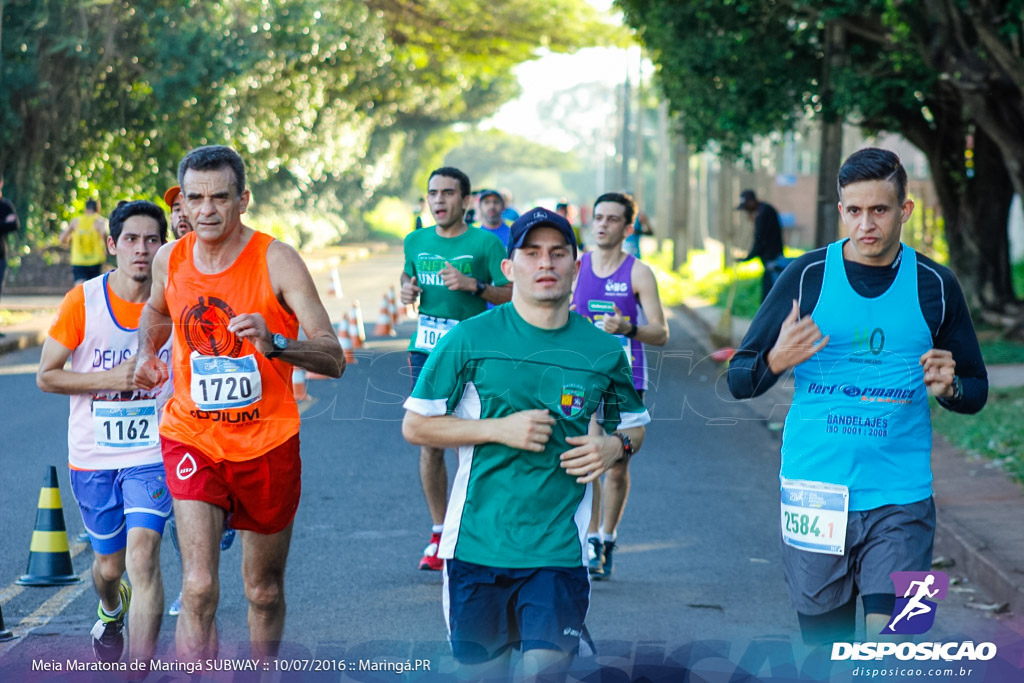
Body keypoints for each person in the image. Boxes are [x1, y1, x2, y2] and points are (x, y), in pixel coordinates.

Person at [727, 148, 988, 645]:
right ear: (840, 210)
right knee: (823, 655)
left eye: (880, 210)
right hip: (814, 493)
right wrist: (776, 361)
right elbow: (739, 379)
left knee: (896, 649)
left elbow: (975, 390)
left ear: (904, 210)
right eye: (854, 210)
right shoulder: (806, 276)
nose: (866, 223)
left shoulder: (936, 284)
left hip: (903, 497)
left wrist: (950, 387)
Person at [402, 207, 649, 681]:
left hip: (557, 551)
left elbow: (634, 425)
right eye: (532, 253)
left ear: (576, 268)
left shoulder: (600, 351)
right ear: (509, 268)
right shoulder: (470, 338)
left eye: (558, 253)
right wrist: (498, 429)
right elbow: (417, 426)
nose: (546, 264)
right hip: (477, 546)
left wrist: (613, 448)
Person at [133, 145, 345, 661]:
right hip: (192, 436)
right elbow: (156, 312)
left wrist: (274, 344)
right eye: (195, 198)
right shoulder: (170, 258)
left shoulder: (277, 260)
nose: (206, 210)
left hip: (267, 443)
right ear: (181, 200)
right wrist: (145, 352)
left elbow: (333, 356)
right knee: (199, 587)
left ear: (242, 199)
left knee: (262, 591)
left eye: (219, 198)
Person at [36, 200, 172, 664]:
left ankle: (138, 670)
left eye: (151, 240)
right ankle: (112, 608)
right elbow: (47, 375)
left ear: (163, 246)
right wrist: (113, 380)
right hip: (93, 456)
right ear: (112, 245)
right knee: (110, 567)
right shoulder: (84, 301)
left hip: (152, 453)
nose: (141, 250)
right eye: (131, 240)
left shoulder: (176, 302)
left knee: (143, 557)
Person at [400, 167, 512, 571]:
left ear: (466, 201)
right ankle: (438, 528)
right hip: (427, 350)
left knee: (478, 439)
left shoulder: (485, 243)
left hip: (474, 354)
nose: (439, 201)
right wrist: (406, 289)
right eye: (433, 193)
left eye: (448, 193)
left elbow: (512, 292)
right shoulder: (415, 240)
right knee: (430, 441)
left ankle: (479, 529)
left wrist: (475, 287)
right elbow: (408, 274)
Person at [571, 192, 668, 580]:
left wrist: (628, 327)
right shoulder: (576, 267)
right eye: (597, 217)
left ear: (628, 228)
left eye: (612, 219)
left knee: (615, 465)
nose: (602, 225)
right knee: (585, 460)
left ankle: (606, 538)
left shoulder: (638, 273)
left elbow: (661, 333)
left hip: (623, 379)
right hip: (579, 378)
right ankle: (587, 537)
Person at [737, 189, 785, 301]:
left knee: (769, 298)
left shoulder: (762, 214)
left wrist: (746, 258)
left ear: (751, 202)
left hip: (772, 261)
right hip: (773, 258)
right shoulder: (765, 209)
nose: (746, 212)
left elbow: (759, 243)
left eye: (746, 208)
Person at [61, 198, 108, 284]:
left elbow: (62, 239)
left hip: (78, 259)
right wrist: (107, 250)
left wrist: (70, 241)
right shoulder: (100, 221)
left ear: (85, 209)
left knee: (80, 286)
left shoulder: (75, 221)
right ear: (98, 209)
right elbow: (104, 235)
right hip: (95, 259)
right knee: (95, 286)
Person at [0, 176, 20, 337]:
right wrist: (3, 222)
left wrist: (7, 223)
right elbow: (7, 224)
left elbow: (15, 225)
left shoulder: (6, 205)